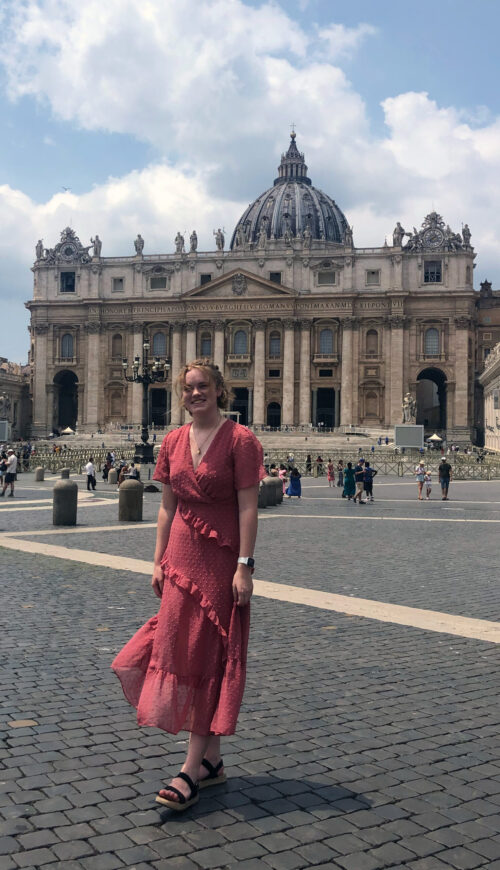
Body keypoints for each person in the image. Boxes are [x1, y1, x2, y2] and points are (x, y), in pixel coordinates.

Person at [112, 360, 264, 811]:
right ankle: (212, 762)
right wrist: (158, 560)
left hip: (219, 561)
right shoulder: (174, 440)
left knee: (206, 653)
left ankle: (189, 769)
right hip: (179, 559)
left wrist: (244, 566)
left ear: (220, 390)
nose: (194, 393)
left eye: (202, 386)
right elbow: (165, 508)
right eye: (187, 388)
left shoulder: (241, 440)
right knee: (179, 647)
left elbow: (248, 509)